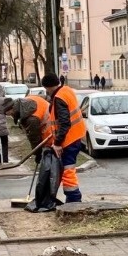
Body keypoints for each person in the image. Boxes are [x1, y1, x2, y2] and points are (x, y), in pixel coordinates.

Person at [41, 73, 86, 208]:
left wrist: (57, 143)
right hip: (75, 136)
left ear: (48, 87)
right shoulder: (66, 90)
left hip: (69, 140)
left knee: (68, 170)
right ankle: (73, 199)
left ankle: (73, 200)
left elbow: (65, 123)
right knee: (68, 169)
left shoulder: (59, 98)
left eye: (46, 89)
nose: (46, 92)